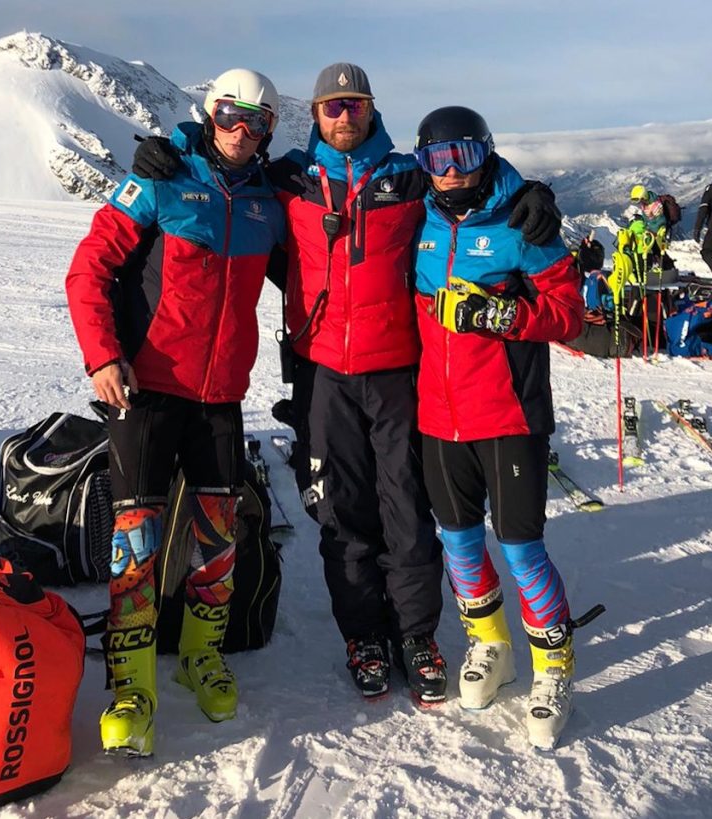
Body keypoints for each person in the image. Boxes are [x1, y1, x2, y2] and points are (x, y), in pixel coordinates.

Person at [131, 62, 563, 706]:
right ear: (314, 113)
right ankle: (363, 636)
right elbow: (223, 167)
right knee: (341, 512)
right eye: (331, 107)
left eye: (355, 105)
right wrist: (173, 146)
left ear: (371, 110)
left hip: (397, 371)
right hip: (323, 372)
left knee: (407, 510)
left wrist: (530, 192)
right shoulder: (288, 180)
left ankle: (416, 636)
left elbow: (469, 182)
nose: (343, 116)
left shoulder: (409, 177)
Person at [65, 68, 285, 756]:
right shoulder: (160, 180)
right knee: (136, 539)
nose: (241, 130)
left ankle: (200, 653)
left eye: (257, 121)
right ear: (209, 113)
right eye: (229, 115)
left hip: (220, 395)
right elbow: (89, 268)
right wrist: (103, 357)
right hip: (146, 390)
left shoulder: (268, 203)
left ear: (271, 130)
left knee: (219, 536)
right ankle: (131, 685)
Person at [411, 106, 593, 749]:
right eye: (436, 159)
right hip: (438, 416)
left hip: (508, 415)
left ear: (485, 153)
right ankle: (491, 644)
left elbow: (570, 314)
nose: (450, 172)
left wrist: (503, 315)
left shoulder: (522, 223)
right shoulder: (416, 219)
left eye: (462, 155)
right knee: (458, 543)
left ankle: (553, 668)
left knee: (520, 548)